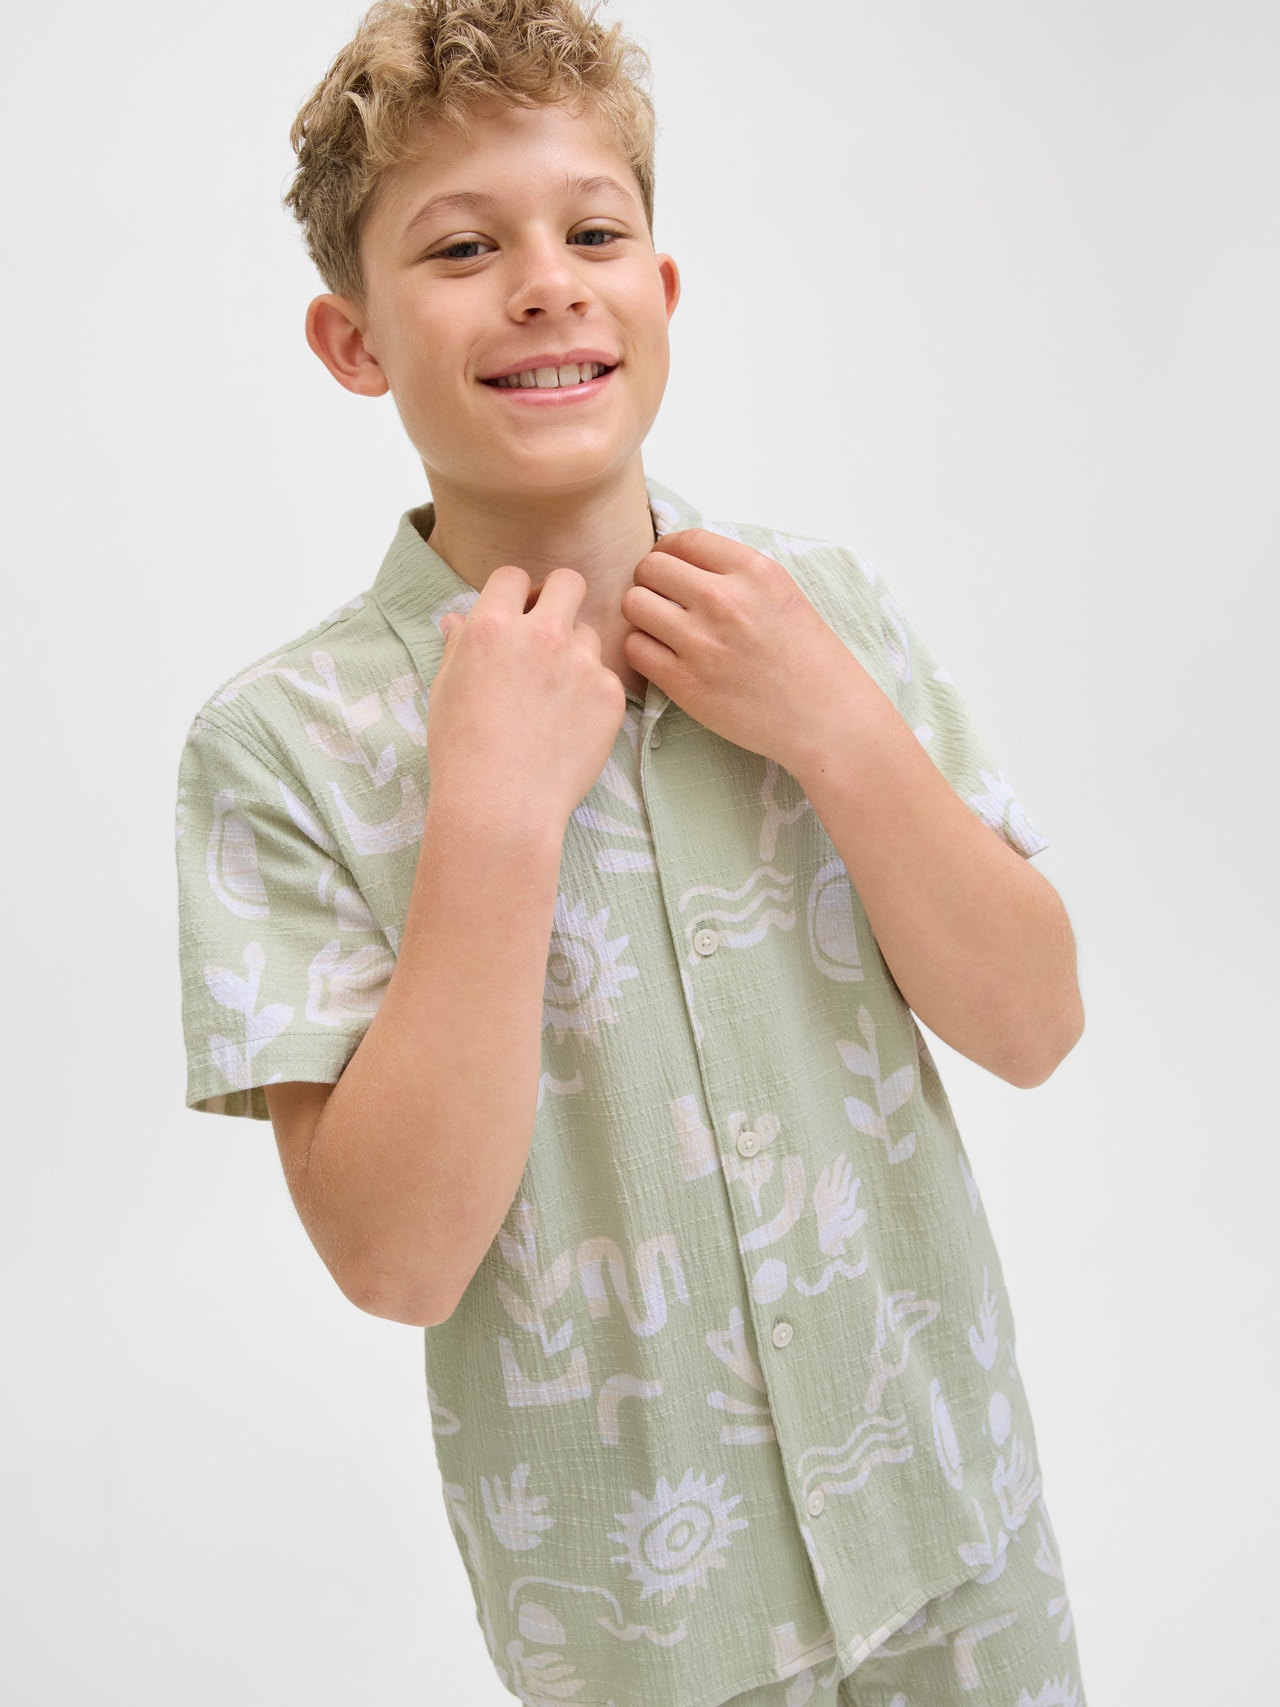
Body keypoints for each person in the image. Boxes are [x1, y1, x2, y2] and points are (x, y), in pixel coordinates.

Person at [173, 2, 1089, 1703]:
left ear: (661, 289)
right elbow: (397, 1260)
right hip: (650, 1630)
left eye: (594, 233)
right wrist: (493, 817)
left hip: (957, 1520)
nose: (547, 284)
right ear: (354, 340)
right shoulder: (281, 747)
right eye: (464, 247)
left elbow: (1036, 1026)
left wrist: (836, 724)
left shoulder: (826, 611)